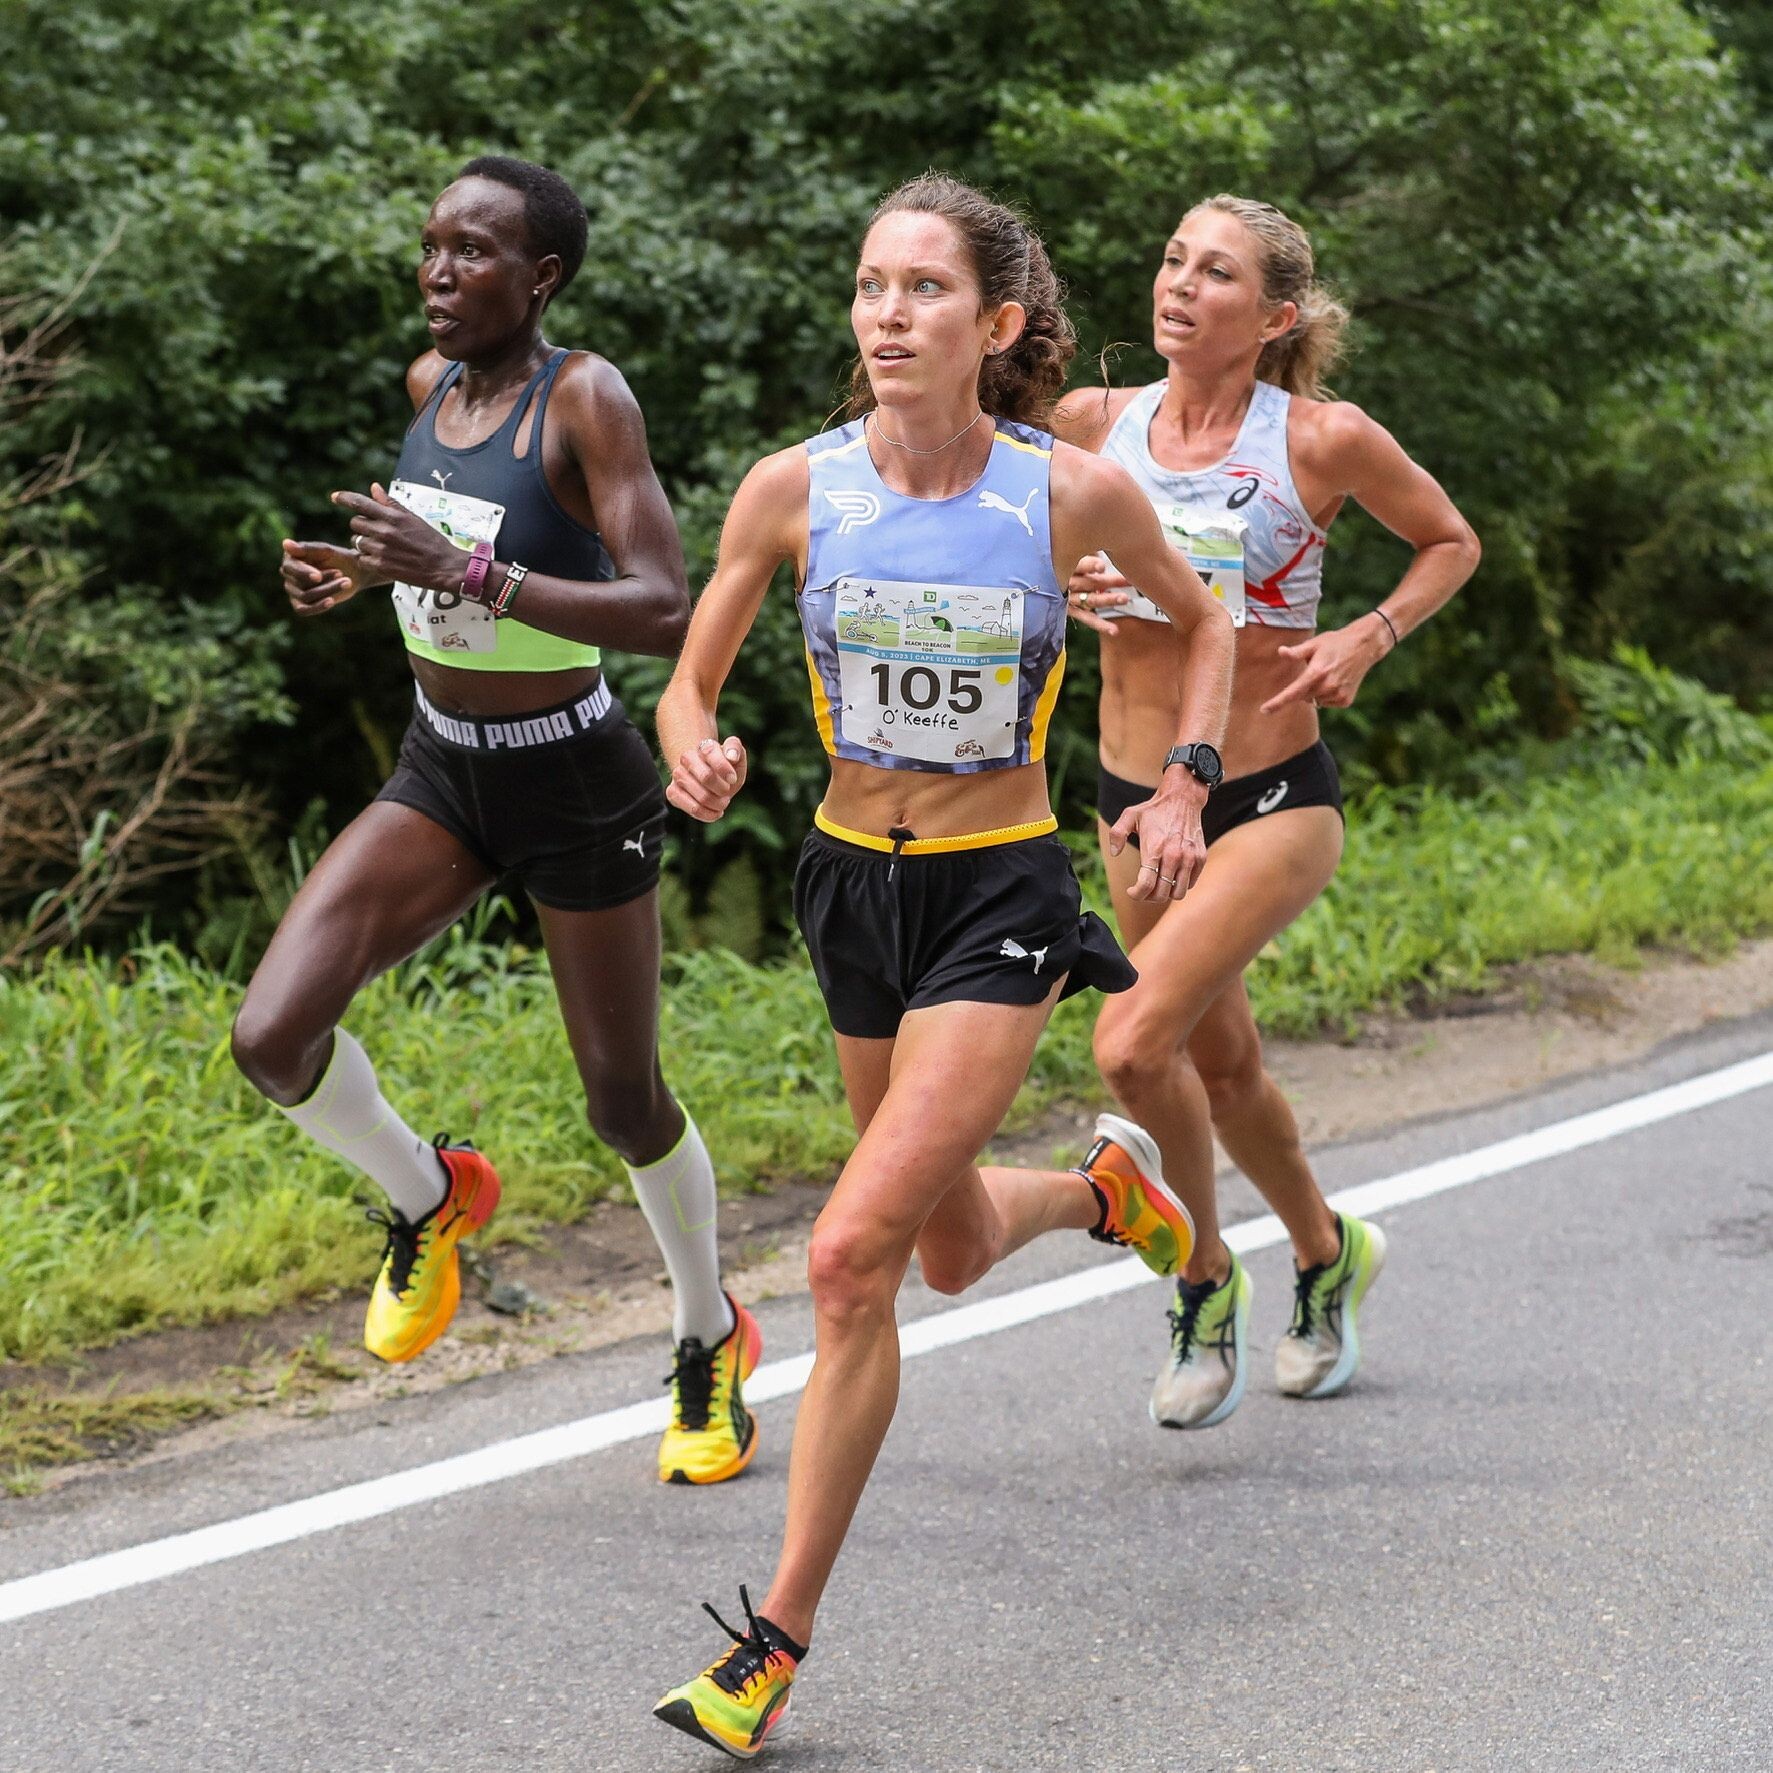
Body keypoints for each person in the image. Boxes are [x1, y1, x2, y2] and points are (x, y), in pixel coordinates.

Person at [650, 173, 1235, 1759]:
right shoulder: (792, 488)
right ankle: (1108, 1195)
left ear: (997, 324)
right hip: (852, 887)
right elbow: (689, 685)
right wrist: (694, 750)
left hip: (1000, 894)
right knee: (954, 1245)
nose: (889, 315)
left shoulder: (1067, 495)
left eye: (923, 289)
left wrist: (1184, 782)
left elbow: (1205, 626)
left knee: (852, 1259)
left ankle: (773, 1641)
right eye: (871, 286)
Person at [230, 156, 760, 1487]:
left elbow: (662, 606)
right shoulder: (430, 388)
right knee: (272, 1037)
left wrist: (463, 570)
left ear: (542, 277)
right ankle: (431, 1194)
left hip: (574, 779)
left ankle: (708, 1332)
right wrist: (364, 574)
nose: (439, 272)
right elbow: (451, 563)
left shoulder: (584, 398)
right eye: (432, 247)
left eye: (474, 252)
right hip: (444, 771)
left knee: (621, 1101)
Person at [1054, 194, 1481, 1429]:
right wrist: (1060, 577)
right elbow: (994, 531)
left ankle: (1200, 1279)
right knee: (1223, 1065)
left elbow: (1449, 542)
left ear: (1277, 316)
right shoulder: (1088, 424)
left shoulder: (1321, 440)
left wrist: (1370, 632)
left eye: (1217, 273)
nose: (1180, 285)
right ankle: (1326, 1251)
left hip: (1272, 798)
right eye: (1174, 260)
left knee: (1132, 1046)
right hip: (1133, 801)